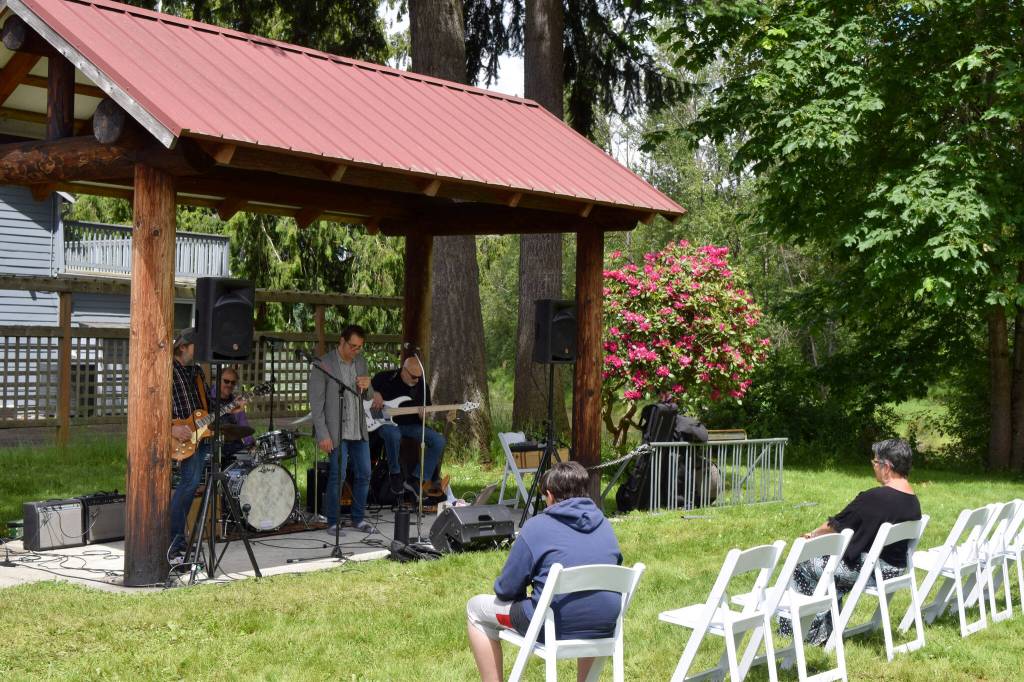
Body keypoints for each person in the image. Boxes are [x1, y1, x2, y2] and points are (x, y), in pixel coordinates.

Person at [466, 461, 622, 682]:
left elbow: (505, 589)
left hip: (552, 626)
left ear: (549, 495)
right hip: (604, 624)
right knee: (588, 604)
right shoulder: (605, 525)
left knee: (475, 609)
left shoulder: (537, 527)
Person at [783, 438, 922, 644]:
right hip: (894, 569)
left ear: (886, 467)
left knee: (805, 565)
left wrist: (812, 536)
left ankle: (805, 634)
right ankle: (828, 629)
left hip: (873, 572)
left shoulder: (875, 498)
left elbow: (837, 525)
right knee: (831, 566)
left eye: (875, 463)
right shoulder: (913, 500)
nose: (873, 467)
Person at [308, 324, 376, 535]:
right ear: (342, 341)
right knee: (338, 474)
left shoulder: (361, 362)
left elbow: (369, 396)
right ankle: (333, 522)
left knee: (365, 473)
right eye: (352, 346)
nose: (355, 351)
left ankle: (358, 519)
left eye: (359, 347)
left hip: (358, 428)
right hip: (336, 431)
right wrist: (322, 434)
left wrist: (368, 386)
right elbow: (316, 404)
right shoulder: (324, 364)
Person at [371, 355, 447, 496]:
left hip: (412, 425)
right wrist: (374, 393)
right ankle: (395, 474)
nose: (417, 380)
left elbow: (426, 413)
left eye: (419, 376)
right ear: (404, 371)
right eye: (413, 376)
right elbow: (363, 390)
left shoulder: (422, 386)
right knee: (393, 434)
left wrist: (423, 415)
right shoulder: (385, 378)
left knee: (439, 441)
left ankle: (417, 478)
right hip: (385, 423)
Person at [167, 327, 210, 562]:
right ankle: (175, 541)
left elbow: (206, 405)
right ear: (183, 347)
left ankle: (181, 541)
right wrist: (170, 428)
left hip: (200, 436)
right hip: (178, 436)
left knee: (192, 485)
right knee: (187, 485)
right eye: (196, 344)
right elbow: (153, 407)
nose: (200, 349)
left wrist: (231, 405)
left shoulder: (196, 372)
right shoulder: (167, 370)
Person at [209, 366, 254, 459]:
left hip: (233, 446)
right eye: (226, 381)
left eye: (233, 383)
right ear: (218, 380)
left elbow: (243, 424)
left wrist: (251, 445)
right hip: (210, 446)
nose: (229, 385)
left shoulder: (235, 402)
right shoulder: (206, 397)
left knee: (249, 460)